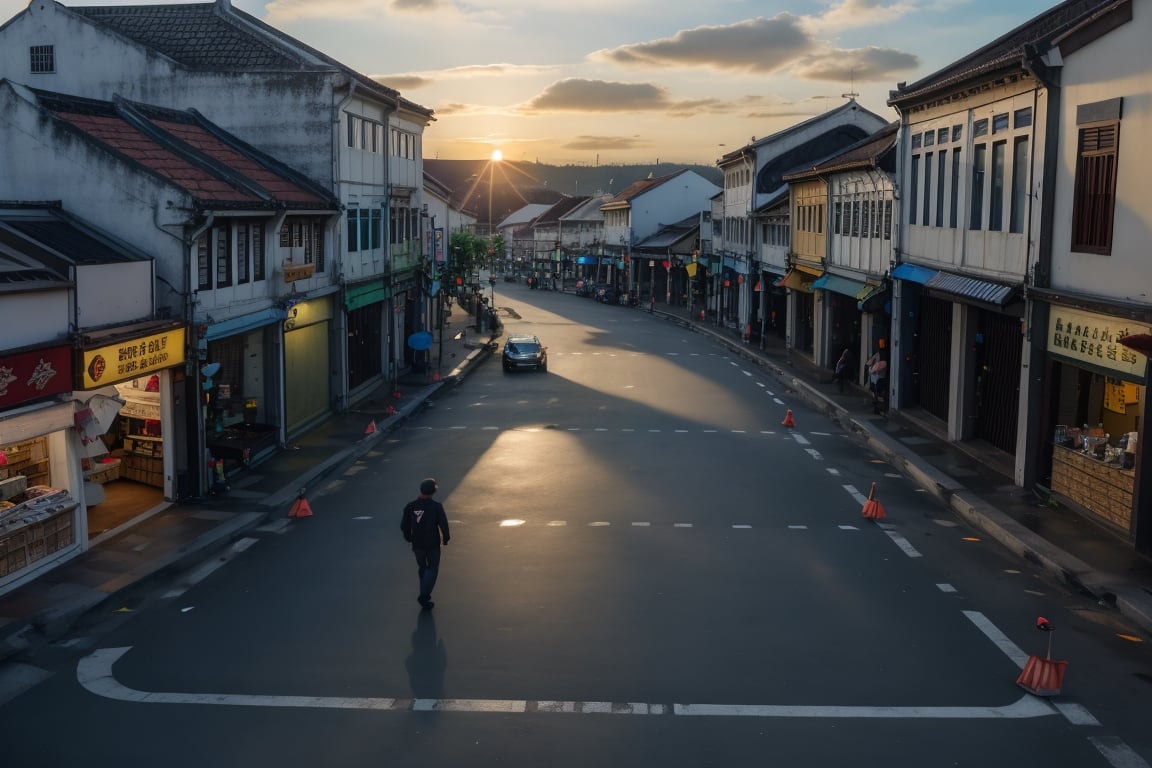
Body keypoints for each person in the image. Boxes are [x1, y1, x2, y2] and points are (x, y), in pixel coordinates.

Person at [400, 477, 451, 609]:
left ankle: (426, 595)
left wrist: (409, 538)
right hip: (432, 543)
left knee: (423, 568)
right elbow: (443, 524)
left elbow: (404, 525)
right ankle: (423, 596)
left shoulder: (410, 506)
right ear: (434, 491)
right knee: (432, 568)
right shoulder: (436, 507)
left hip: (417, 544)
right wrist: (446, 538)